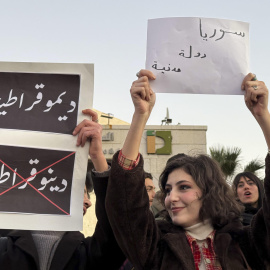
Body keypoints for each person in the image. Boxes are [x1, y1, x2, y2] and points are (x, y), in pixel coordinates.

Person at [106, 70, 270, 269]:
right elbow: (125, 204)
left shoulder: (246, 241)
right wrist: (140, 115)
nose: (171, 198)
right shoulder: (155, 246)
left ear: (210, 192)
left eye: (183, 187)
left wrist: (263, 116)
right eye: (167, 190)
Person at [0, 109, 125, 270]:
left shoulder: (87, 254)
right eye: (82, 192)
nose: (88, 202)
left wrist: (97, 156)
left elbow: (118, 230)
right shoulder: (5, 246)